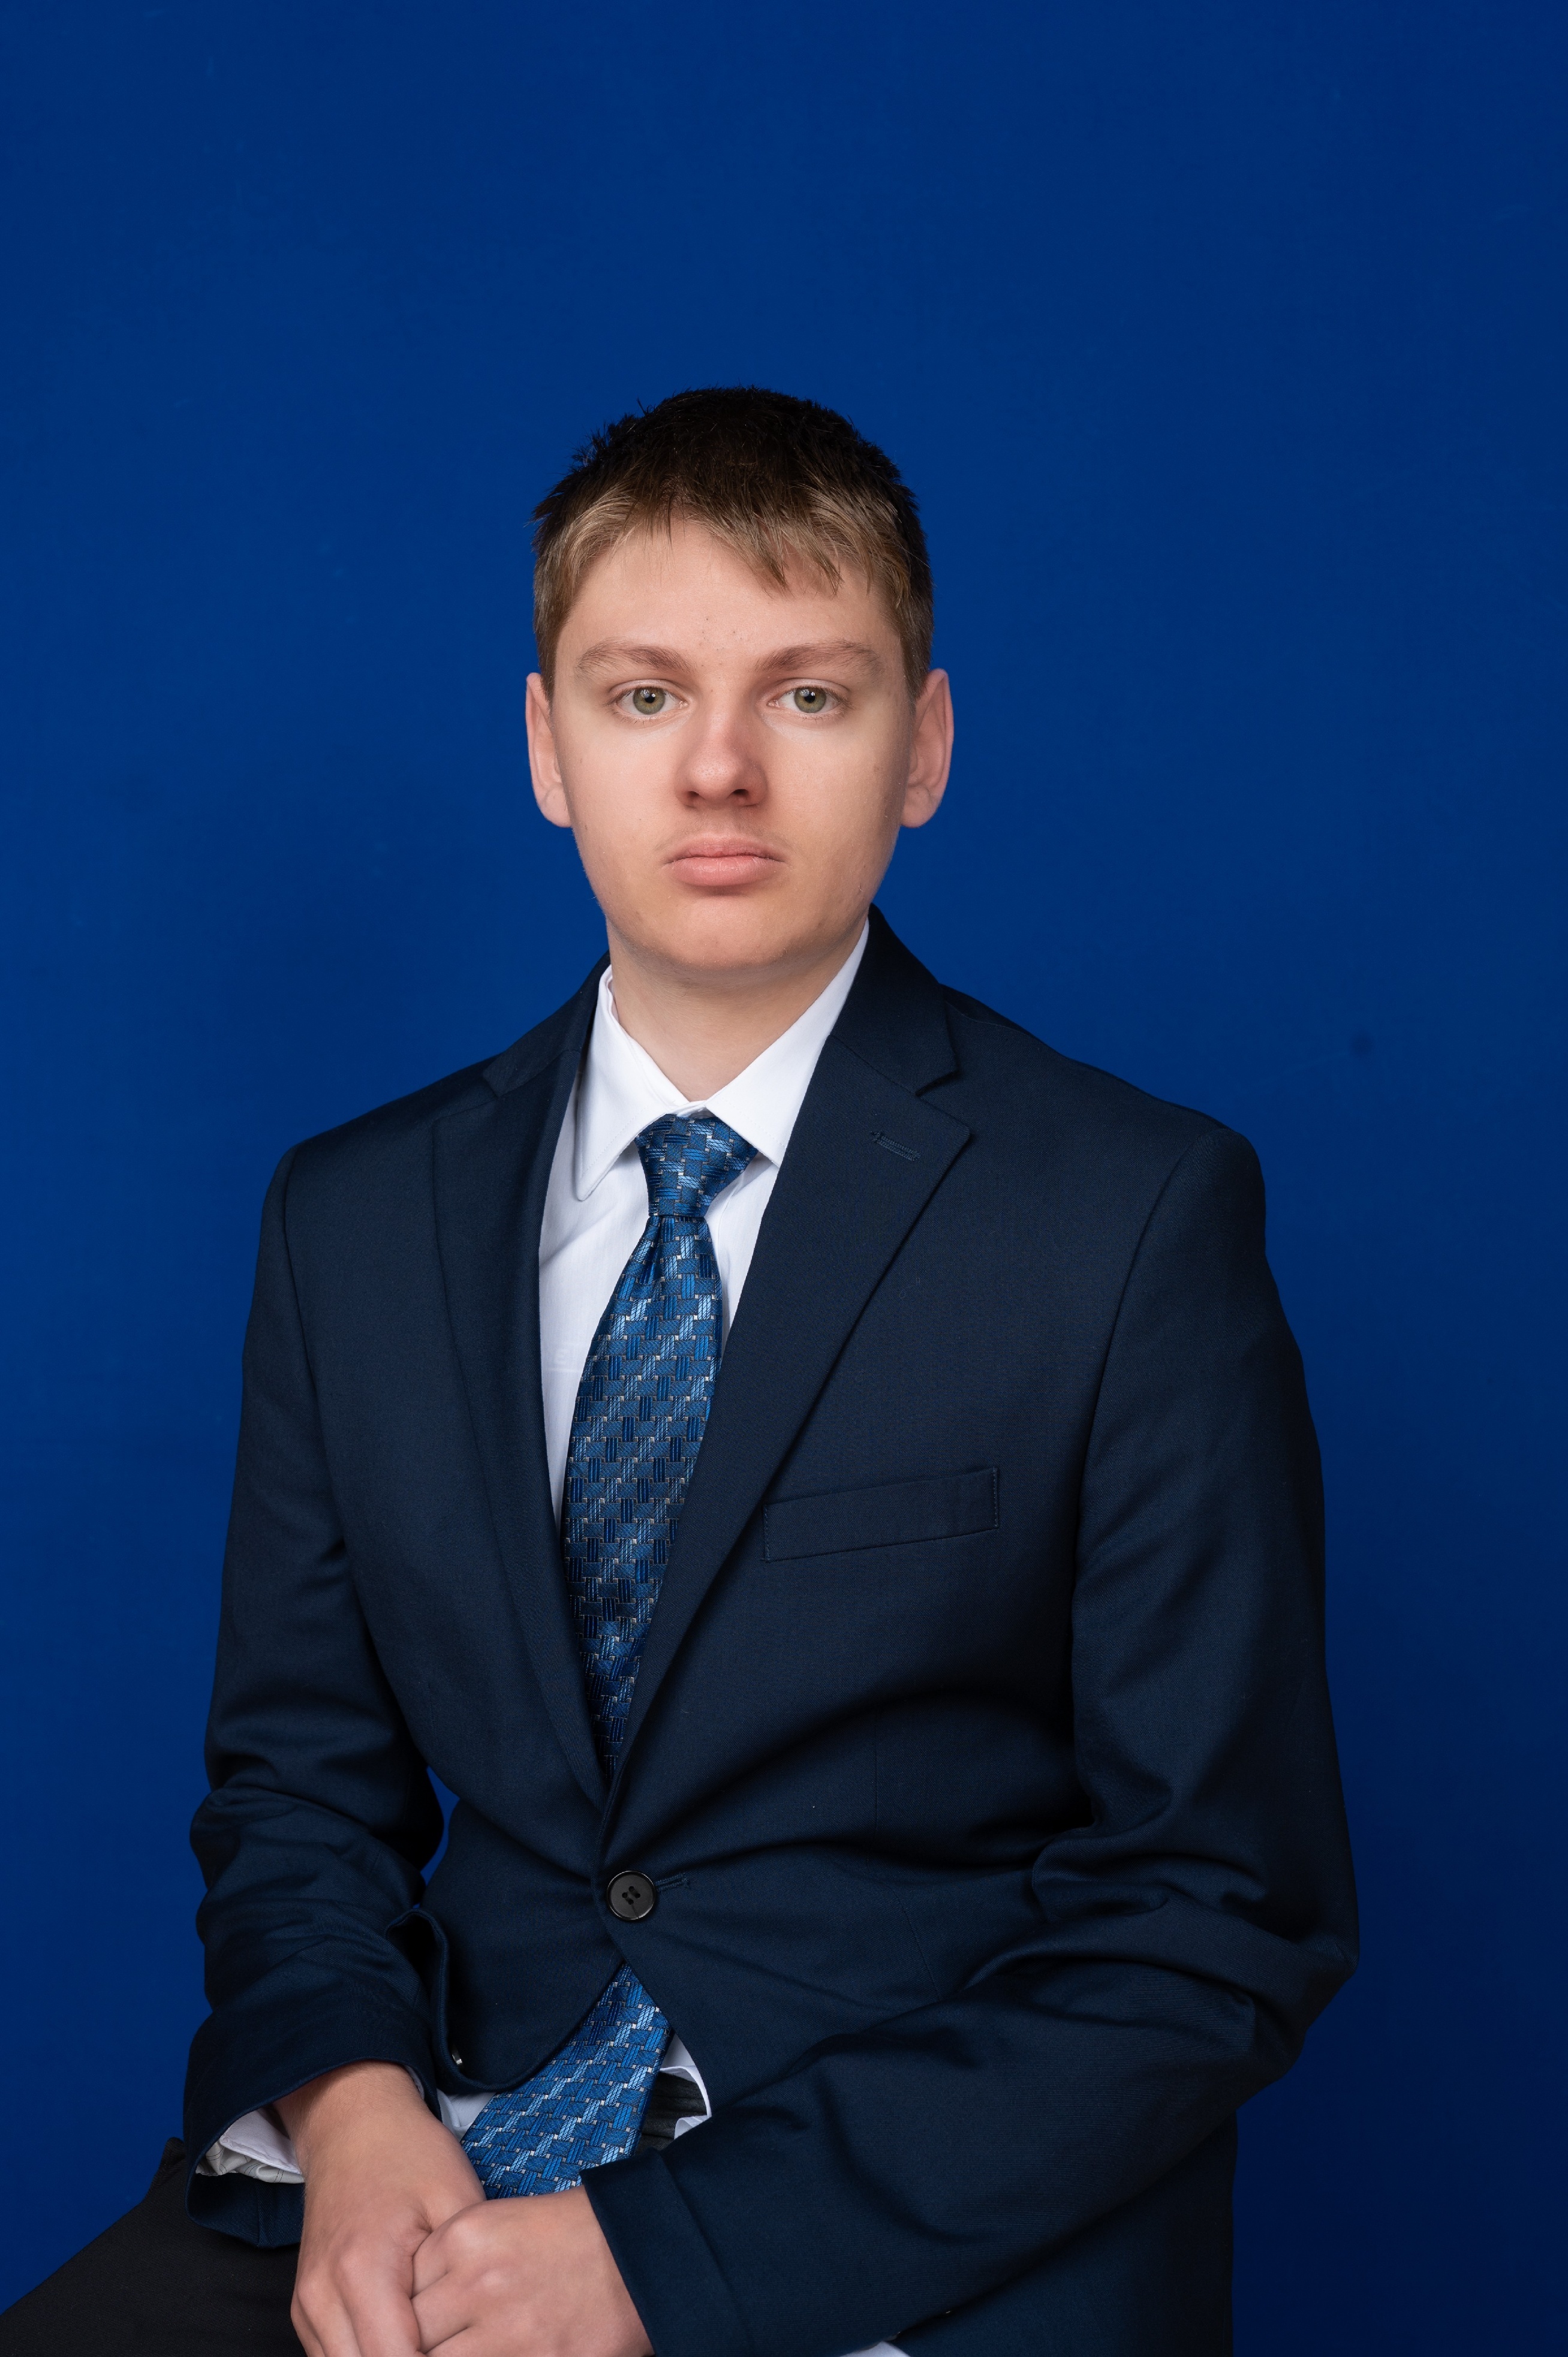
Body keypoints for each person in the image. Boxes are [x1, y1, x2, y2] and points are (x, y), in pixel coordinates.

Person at [2, 386, 1356, 2357]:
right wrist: (357, 2112)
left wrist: (663, 2257)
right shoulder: (352, 1219)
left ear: (924, 745)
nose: (720, 768)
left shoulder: (1133, 1214)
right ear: (547, 746)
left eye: (809, 694)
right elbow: (299, 1788)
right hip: (438, 2150)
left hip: (907, 2208)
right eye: (644, 696)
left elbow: (1216, 1910)